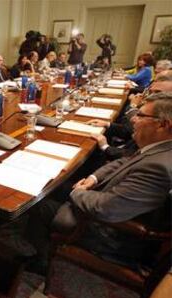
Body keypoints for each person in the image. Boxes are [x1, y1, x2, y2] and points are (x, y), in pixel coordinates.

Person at [24, 92, 172, 275]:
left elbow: (106, 209)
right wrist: (92, 179)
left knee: (37, 204)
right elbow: (124, 161)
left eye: (141, 115)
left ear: (163, 124)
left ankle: (42, 260)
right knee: (51, 184)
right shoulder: (160, 148)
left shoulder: (160, 167)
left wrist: (78, 191)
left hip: (110, 233)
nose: (133, 119)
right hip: (108, 198)